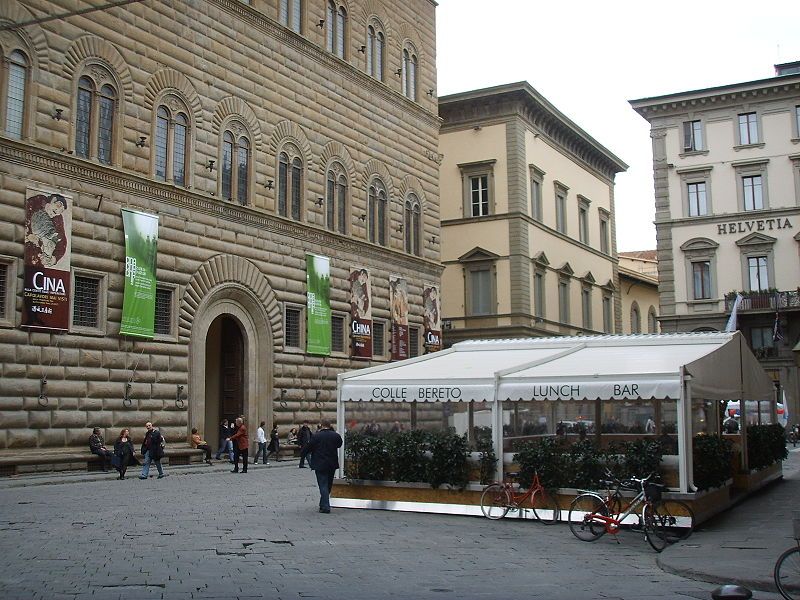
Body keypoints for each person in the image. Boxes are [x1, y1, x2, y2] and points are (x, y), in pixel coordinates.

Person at [300, 420, 343, 514]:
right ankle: (322, 504)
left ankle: (326, 506)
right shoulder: (335, 435)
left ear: (322, 426)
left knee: (323, 485)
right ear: (330, 425)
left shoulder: (317, 436)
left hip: (320, 463)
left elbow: (308, 447)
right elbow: (339, 444)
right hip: (332, 463)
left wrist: (303, 454)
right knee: (328, 484)